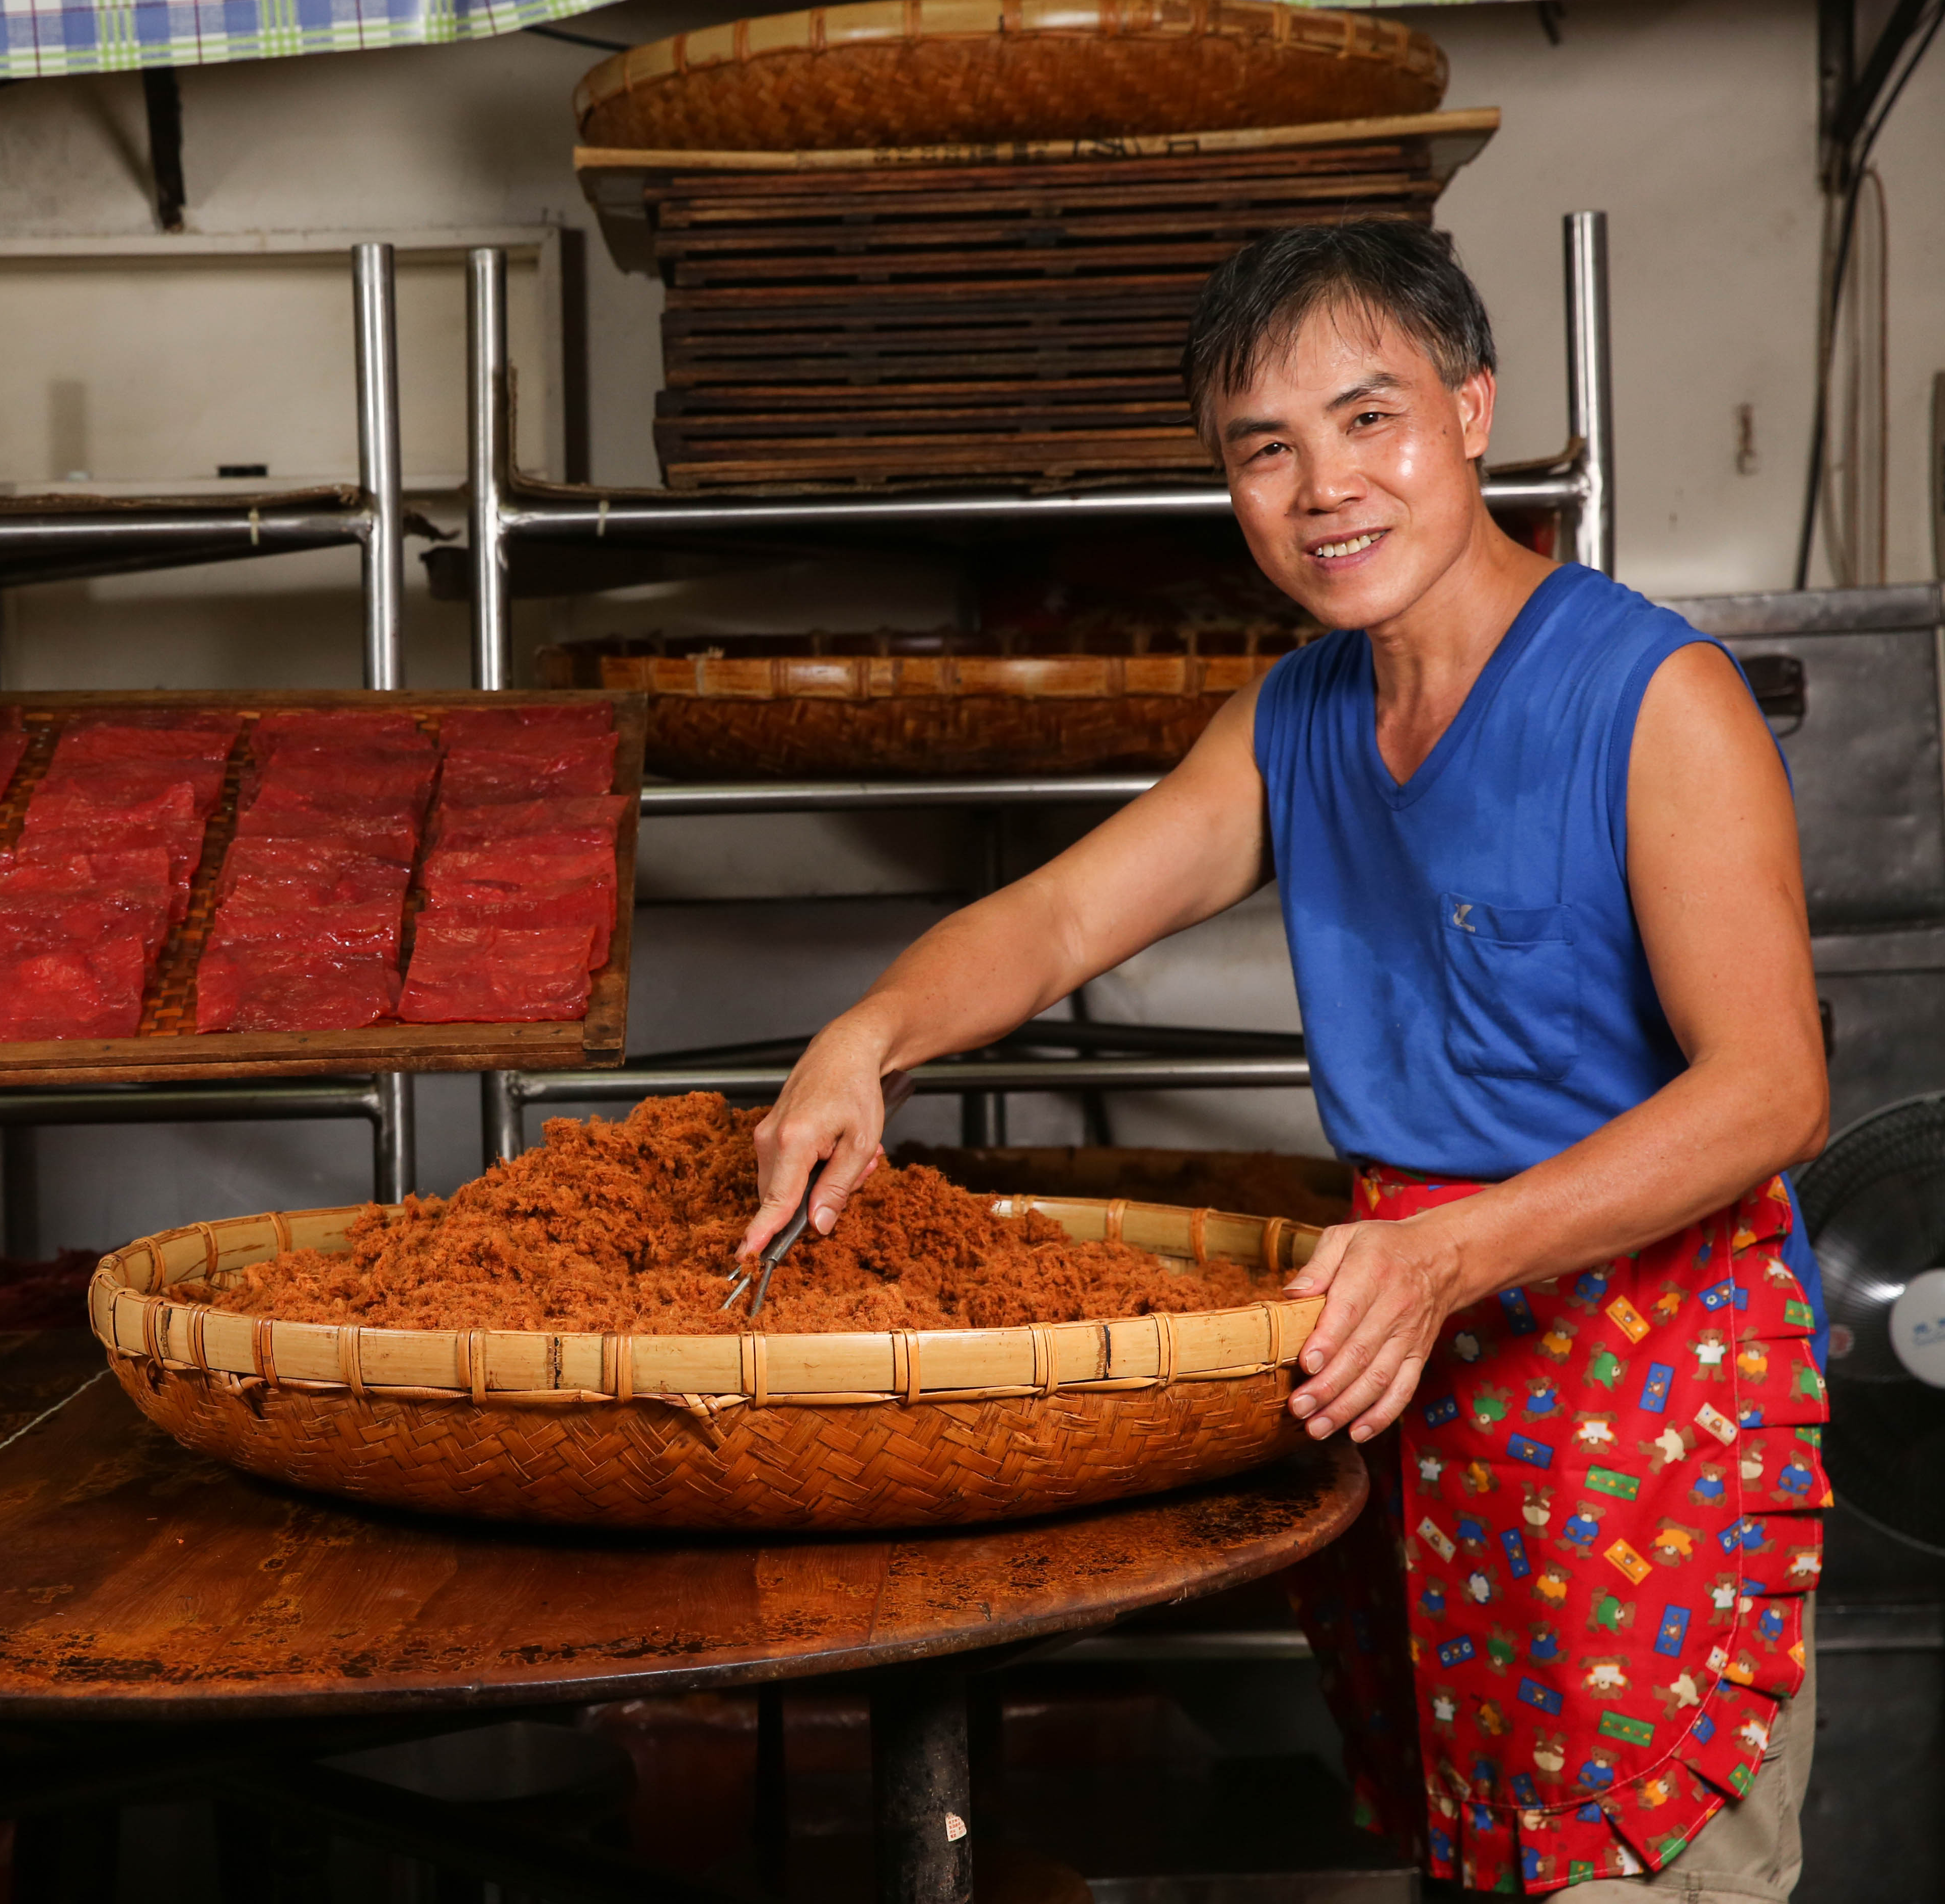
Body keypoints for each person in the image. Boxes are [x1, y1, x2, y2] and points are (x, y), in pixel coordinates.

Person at [743, 222, 1830, 1902]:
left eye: (1369, 419)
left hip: (1644, 1387)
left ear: (1473, 410)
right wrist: (865, 1037)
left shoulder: (1651, 697)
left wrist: (1450, 1252)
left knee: (1641, 1872)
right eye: (1267, 450)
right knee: (1468, 1857)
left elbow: (1774, 1089)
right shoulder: (1295, 719)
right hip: (1413, 1370)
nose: (1327, 488)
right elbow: (1058, 917)